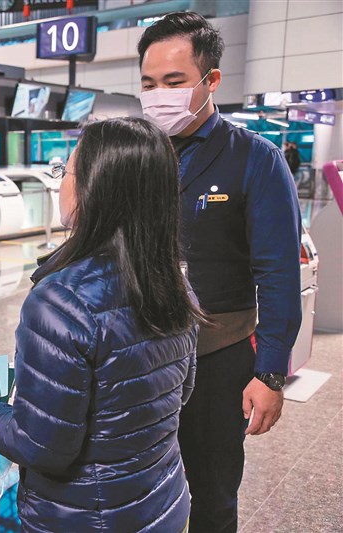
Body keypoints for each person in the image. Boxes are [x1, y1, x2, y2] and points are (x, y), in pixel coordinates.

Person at [0, 118, 202, 532]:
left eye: (66, 171)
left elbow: (42, 448)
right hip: (165, 506)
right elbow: (179, 393)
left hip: (87, 519)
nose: (60, 184)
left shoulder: (60, 303)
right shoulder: (175, 285)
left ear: (94, 189)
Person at [137, 12, 302, 532]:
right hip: (138, 360)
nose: (158, 95)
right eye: (148, 84)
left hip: (216, 359)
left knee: (211, 493)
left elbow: (278, 274)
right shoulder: (136, 155)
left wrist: (270, 372)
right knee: (136, 490)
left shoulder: (255, 158)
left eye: (173, 82)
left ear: (211, 81)